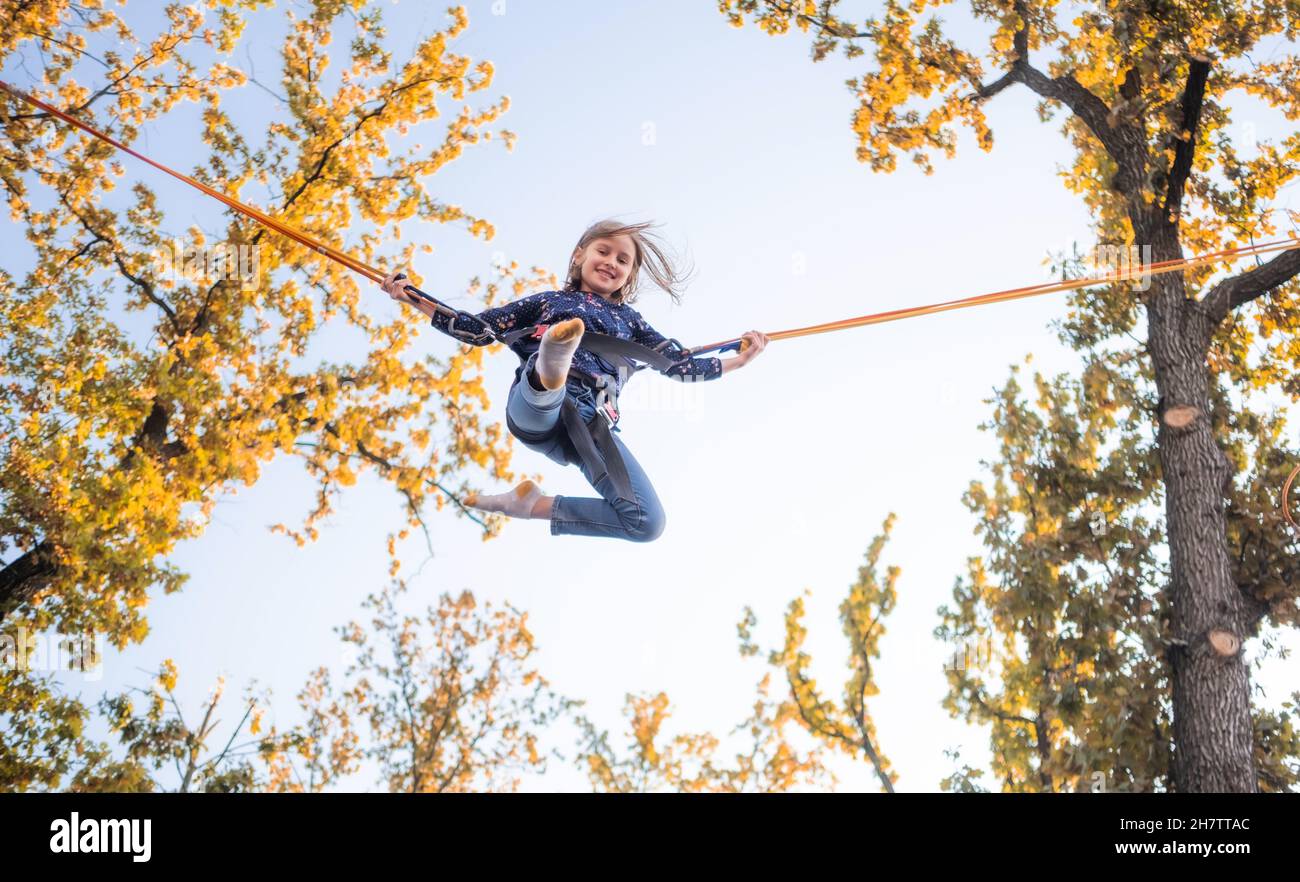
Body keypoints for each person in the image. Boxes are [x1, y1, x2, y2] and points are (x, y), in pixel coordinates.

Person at [382, 219, 768, 541]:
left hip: (589, 426)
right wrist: (412, 297)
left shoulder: (631, 323)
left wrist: (739, 358)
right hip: (536, 408)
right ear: (579, 255)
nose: (611, 262)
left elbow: (678, 363)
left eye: (623, 260)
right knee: (548, 381)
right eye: (603, 251)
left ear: (628, 276)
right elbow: (478, 329)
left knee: (647, 523)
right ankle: (552, 362)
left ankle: (528, 505)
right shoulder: (548, 301)